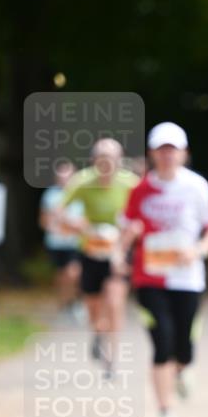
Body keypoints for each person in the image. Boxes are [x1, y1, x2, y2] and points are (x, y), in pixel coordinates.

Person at [120, 122, 208, 417]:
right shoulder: (140, 190)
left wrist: (199, 250)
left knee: (184, 345)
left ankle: (183, 368)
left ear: (183, 153)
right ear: (152, 153)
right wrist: (125, 244)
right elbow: (126, 229)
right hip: (149, 277)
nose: (167, 155)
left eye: (173, 149)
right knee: (161, 342)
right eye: (161, 149)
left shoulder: (196, 187)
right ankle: (165, 413)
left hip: (187, 278)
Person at [59, 139, 139, 376]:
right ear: (94, 161)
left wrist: (128, 234)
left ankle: (111, 360)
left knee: (115, 303)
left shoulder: (131, 183)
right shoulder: (82, 181)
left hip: (120, 252)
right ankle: (98, 333)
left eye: (112, 158)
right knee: (93, 307)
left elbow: (142, 214)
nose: (107, 163)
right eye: (102, 158)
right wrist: (77, 226)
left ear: (119, 160)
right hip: (91, 251)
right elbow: (59, 212)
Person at [38, 160, 83, 318]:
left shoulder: (81, 194)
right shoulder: (50, 195)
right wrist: (55, 226)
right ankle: (65, 304)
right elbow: (43, 221)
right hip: (56, 243)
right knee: (62, 276)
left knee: (73, 273)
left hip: (75, 242)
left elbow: (85, 219)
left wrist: (72, 226)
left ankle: (74, 302)